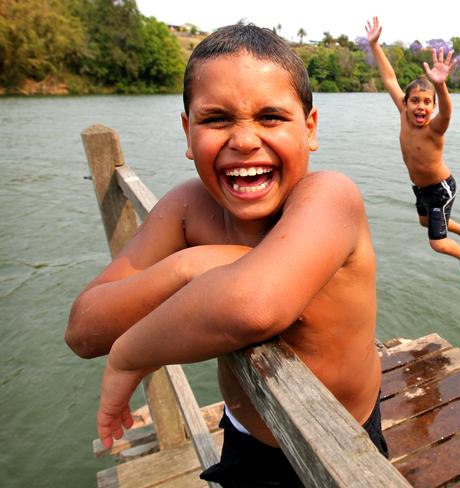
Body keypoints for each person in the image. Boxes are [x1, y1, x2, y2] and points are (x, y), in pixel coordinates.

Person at [65, 23, 387, 487]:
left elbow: (252, 307)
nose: (244, 140)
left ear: (310, 128)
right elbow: (83, 328)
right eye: (216, 119)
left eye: (271, 116)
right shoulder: (188, 207)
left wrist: (130, 355)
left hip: (340, 443)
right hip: (242, 434)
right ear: (188, 130)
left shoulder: (330, 198)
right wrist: (187, 266)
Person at [365, 16, 460, 283]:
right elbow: (390, 78)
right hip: (421, 188)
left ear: (433, 107)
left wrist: (440, 84)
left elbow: (448, 112)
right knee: (425, 222)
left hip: (440, 189)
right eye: (415, 100)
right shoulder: (404, 115)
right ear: (405, 103)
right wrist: (374, 46)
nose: (421, 106)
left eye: (427, 102)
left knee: (437, 243)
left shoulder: (435, 129)